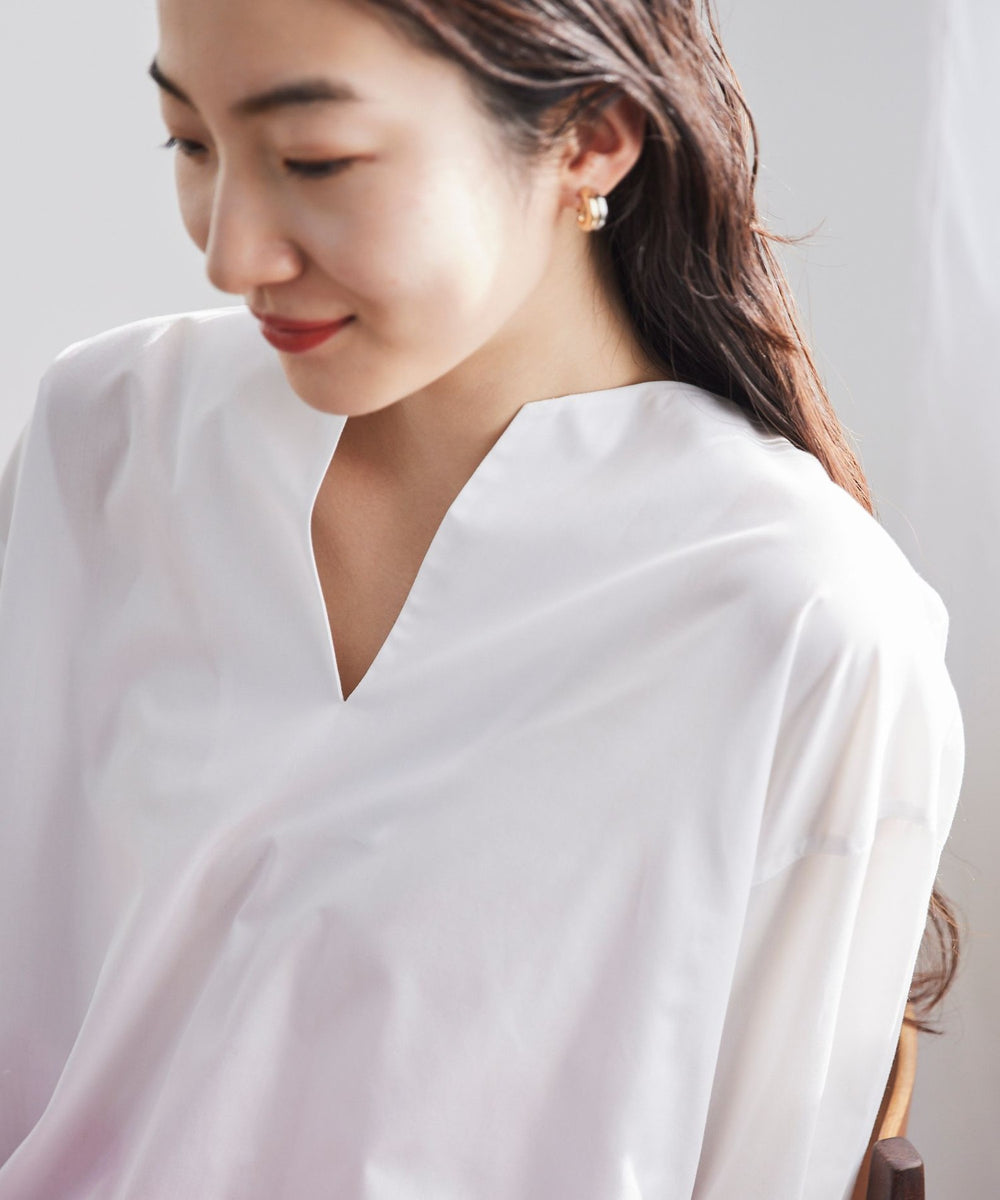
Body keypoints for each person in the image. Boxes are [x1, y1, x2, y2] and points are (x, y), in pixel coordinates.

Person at [0, 0, 964, 1196]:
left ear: (590, 138)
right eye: (189, 142)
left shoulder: (800, 623)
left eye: (315, 160)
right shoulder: (107, 436)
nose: (230, 254)